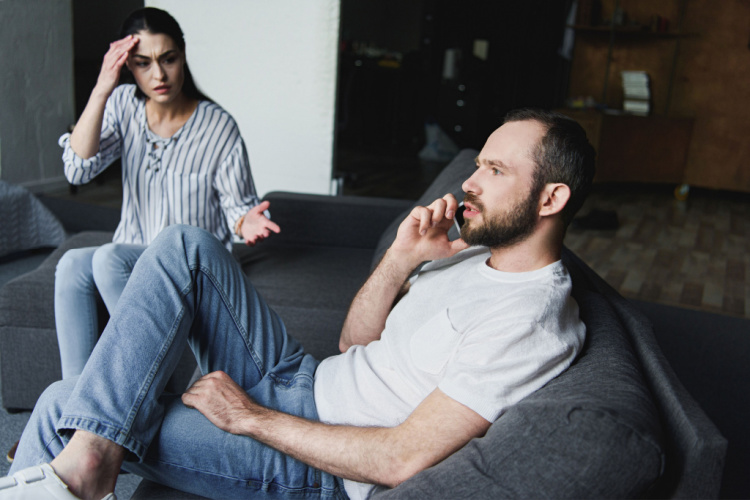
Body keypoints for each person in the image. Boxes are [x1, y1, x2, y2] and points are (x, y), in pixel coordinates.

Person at [2, 108, 596, 500]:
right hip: (303, 379)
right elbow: (354, 344)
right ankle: (94, 451)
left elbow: (400, 459)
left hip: (319, 462)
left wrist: (249, 418)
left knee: (64, 405)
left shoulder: (532, 320)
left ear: (552, 197)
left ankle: (86, 461)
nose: (470, 181)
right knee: (185, 245)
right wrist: (402, 257)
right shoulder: (470, 255)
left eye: (494, 169)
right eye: (477, 163)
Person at [54, 7, 279, 381]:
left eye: (168, 59)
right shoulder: (124, 105)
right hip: (134, 251)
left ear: (183, 55)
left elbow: (236, 208)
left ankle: (153, 380)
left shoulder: (217, 126)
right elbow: (77, 168)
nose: (158, 75)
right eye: (143, 64)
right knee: (72, 265)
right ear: (129, 67)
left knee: (109, 259)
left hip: (189, 265)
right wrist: (101, 89)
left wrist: (246, 220)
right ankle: (76, 395)